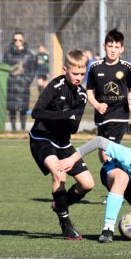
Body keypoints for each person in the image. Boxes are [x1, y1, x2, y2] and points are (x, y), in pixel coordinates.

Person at [29, 49, 94, 240]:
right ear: (65, 69)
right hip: (42, 138)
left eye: (82, 74)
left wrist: (69, 118)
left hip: (63, 143)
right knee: (59, 173)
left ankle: (59, 204)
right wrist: (63, 115)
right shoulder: (55, 86)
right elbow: (36, 112)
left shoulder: (82, 95)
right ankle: (66, 225)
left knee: (88, 184)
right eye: (75, 73)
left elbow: (73, 128)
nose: (79, 77)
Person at [86, 29, 131, 149]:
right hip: (101, 114)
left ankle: (115, 167)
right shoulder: (95, 67)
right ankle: (115, 167)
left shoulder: (127, 67)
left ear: (122, 48)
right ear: (104, 47)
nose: (113, 50)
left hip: (119, 113)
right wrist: (97, 105)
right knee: (102, 149)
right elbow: (89, 91)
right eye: (110, 46)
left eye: (116, 46)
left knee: (108, 150)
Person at [3, 32, 37, 131]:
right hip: (11, 85)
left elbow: (32, 69)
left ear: (23, 41)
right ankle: (13, 129)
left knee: (23, 109)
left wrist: (26, 80)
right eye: (15, 40)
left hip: (23, 85)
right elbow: (4, 68)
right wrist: (8, 80)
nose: (17, 42)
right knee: (12, 109)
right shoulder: (8, 54)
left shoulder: (29, 54)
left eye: (20, 40)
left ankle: (23, 128)